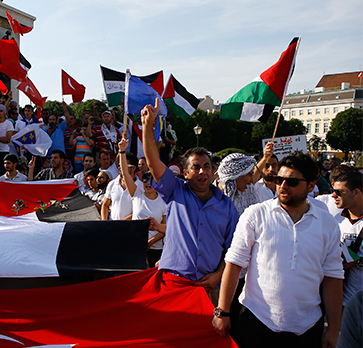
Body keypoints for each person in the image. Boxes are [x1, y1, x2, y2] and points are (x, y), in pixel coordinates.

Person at [213, 152, 344, 348]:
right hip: (256, 321)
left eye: (292, 182)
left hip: (307, 327)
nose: (282, 186)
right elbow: (233, 265)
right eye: (279, 179)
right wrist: (222, 312)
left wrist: (333, 329)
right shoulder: (255, 215)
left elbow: (333, 278)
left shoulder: (328, 224)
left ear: (310, 186)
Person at [142, 98, 239, 303]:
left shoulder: (227, 206)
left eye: (207, 166)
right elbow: (153, 162)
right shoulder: (174, 191)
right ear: (185, 173)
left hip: (210, 287)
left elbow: (233, 250)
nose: (202, 171)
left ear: (214, 172)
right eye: (196, 167)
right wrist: (148, 127)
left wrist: (218, 276)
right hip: (174, 284)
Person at [119, 137, 167, 267]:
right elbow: (125, 173)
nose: (147, 183)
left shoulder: (164, 202)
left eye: (151, 180)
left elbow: (166, 227)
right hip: (135, 244)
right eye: (145, 180)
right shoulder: (137, 194)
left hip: (155, 248)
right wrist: (122, 152)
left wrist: (151, 242)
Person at [332, 170, 363, 308]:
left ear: (356, 193)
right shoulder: (336, 220)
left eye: (339, 192)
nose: (333, 195)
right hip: (343, 303)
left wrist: (357, 262)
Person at [101, 147, 140, 221]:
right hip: (112, 227)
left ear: (133, 168)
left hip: (130, 228)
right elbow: (105, 205)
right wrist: (105, 222)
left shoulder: (140, 187)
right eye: (119, 165)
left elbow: (138, 211)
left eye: (124, 165)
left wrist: (121, 224)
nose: (120, 168)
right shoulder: (112, 184)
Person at [0, 104, 14, 176]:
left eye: (1, 111)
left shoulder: (8, 123)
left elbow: (7, 139)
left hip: (4, 151)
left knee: (3, 172)